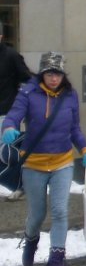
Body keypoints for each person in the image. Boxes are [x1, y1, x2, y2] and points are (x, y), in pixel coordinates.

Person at [1, 52, 86, 266]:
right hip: (34, 164)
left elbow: (74, 128)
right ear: (42, 74)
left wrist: (85, 148)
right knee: (37, 215)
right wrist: (8, 127)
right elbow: (14, 114)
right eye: (50, 73)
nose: (54, 78)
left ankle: (56, 260)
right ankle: (31, 239)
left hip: (62, 162)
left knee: (60, 211)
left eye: (58, 74)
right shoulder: (28, 92)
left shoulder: (70, 95)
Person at [0, 23, 33, 201]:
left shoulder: (11, 55)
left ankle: (19, 185)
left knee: (5, 153)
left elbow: (27, 78)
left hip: (6, 113)